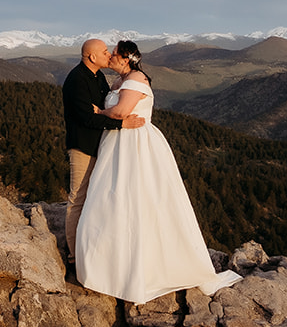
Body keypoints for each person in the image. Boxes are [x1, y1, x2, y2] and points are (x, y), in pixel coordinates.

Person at [75, 40, 242, 303]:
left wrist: (100, 111)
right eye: (108, 53)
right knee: (112, 198)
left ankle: (141, 267)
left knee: (138, 198)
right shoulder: (120, 80)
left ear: (127, 58)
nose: (110, 57)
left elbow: (121, 111)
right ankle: (109, 264)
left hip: (136, 145)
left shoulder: (137, 79)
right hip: (116, 144)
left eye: (114, 54)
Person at [62, 38, 145, 270]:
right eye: (105, 51)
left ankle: (92, 248)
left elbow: (101, 109)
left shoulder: (98, 76)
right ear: (91, 57)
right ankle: (74, 254)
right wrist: (121, 125)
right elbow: (86, 117)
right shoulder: (76, 80)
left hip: (101, 145)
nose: (109, 55)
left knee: (96, 198)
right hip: (83, 146)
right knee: (77, 198)